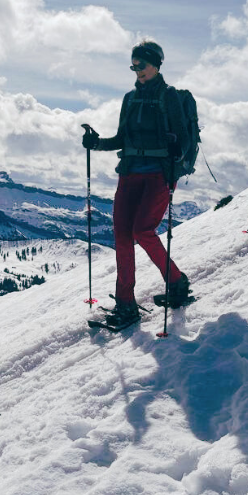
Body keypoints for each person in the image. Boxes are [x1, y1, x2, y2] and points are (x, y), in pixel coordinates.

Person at [81, 40, 194, 329]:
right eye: (133, 66)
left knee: (142, 230)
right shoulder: (129, 99)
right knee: (121, 236)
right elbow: (121, 139)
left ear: (156, 64)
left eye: (141, 65)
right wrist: (97, 143)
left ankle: (177, 282)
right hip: (130, 173)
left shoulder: (169, 97)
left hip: (158, 173)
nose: (137, 70)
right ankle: (126, 304)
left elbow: (183, 139)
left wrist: (175, 150)